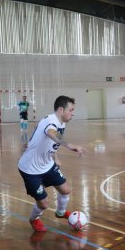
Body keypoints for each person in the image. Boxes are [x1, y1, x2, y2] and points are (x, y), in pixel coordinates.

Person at [18, 96, 87, 232]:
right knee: (43, 204)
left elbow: (51, 141)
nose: (72, 113)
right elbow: (51, 133)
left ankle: (60, 212)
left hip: (47, 165)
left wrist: (55, 157)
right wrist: (71, 145)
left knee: (66, 190)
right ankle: (34, 219)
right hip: (30, 169)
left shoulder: (61, 122)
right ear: (61, 109)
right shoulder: (51, 121)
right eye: (71, 110)